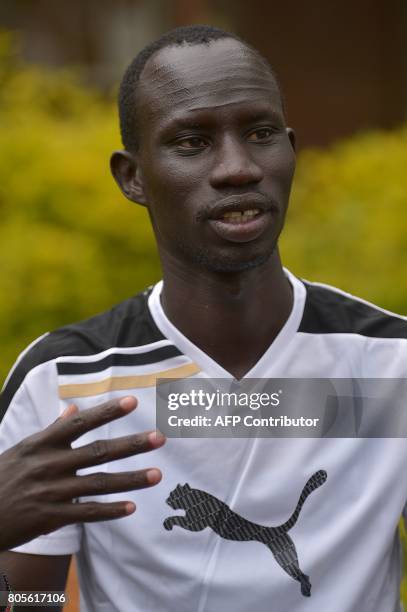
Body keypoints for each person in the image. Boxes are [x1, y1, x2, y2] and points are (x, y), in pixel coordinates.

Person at [0, 24, 406, 612]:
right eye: (191, 142)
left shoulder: (388, 365)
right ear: (132, 177)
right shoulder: (65, 383)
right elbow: (30, 604)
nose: (238, 168)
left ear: (291, 149)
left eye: (261, 133)